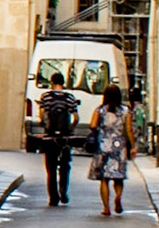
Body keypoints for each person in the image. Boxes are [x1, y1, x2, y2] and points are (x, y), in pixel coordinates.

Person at [88, 83, 137, 216]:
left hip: (103, 145)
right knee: (118, 177)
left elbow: (92, 125)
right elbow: (129, 130)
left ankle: (106, 208)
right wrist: (132, 146)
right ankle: (118, 196)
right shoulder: (126, 111)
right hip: (119, 146)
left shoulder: (100, 110)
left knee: (104, 178)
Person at [35, 83, 79, 205]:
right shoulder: (70, 97)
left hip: (50, 137)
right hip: (65, 137)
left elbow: (42, 115)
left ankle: (53, 197)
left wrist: (46, 127)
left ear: (52, 83)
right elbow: (76, 117)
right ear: (63, 84)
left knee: (51, 168)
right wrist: (71, 129)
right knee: (65, 166)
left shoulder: (46, 97)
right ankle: (63, 191)